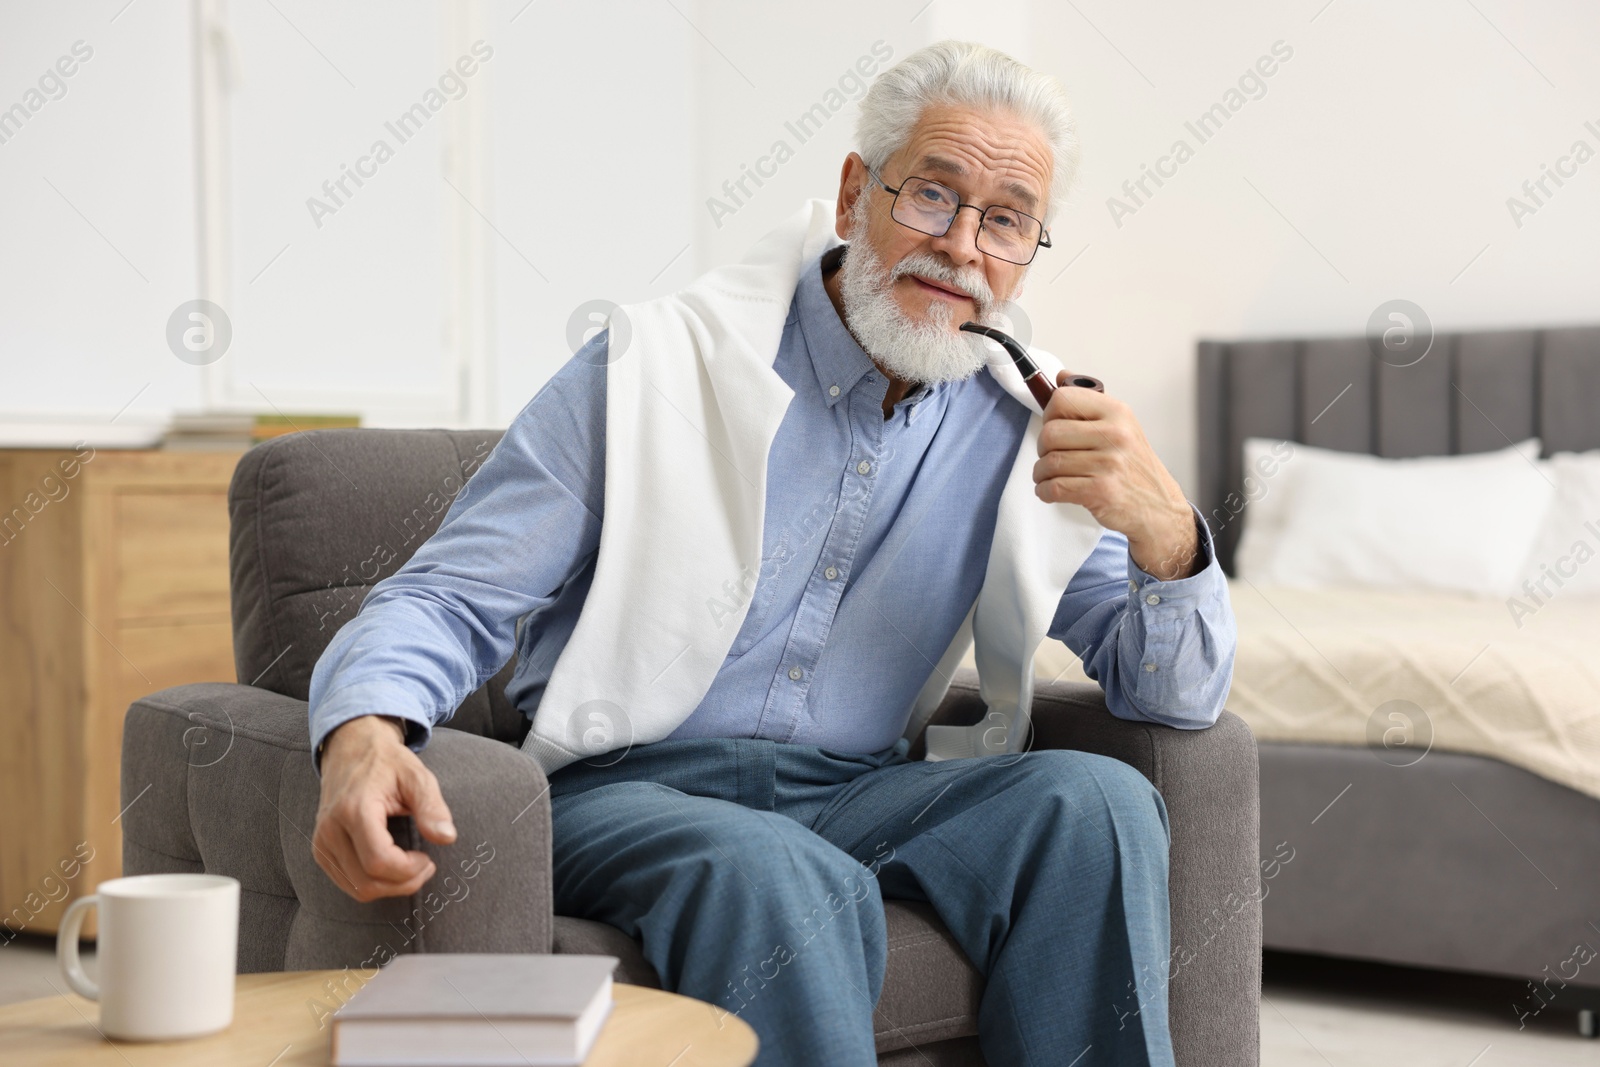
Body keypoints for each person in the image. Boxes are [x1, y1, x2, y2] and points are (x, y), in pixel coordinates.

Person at [307, 40, 1235, 1067]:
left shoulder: (1025, 423)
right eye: (933, 193)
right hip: (627, 790)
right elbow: (450, 594)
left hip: (863, 787)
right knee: (777, 869)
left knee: (1097, 803)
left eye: (1005, 219)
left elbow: (1176, 696)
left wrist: (1166, 533)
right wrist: (362, 726)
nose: (963, 246)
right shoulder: (653, 365)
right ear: (853, 194)